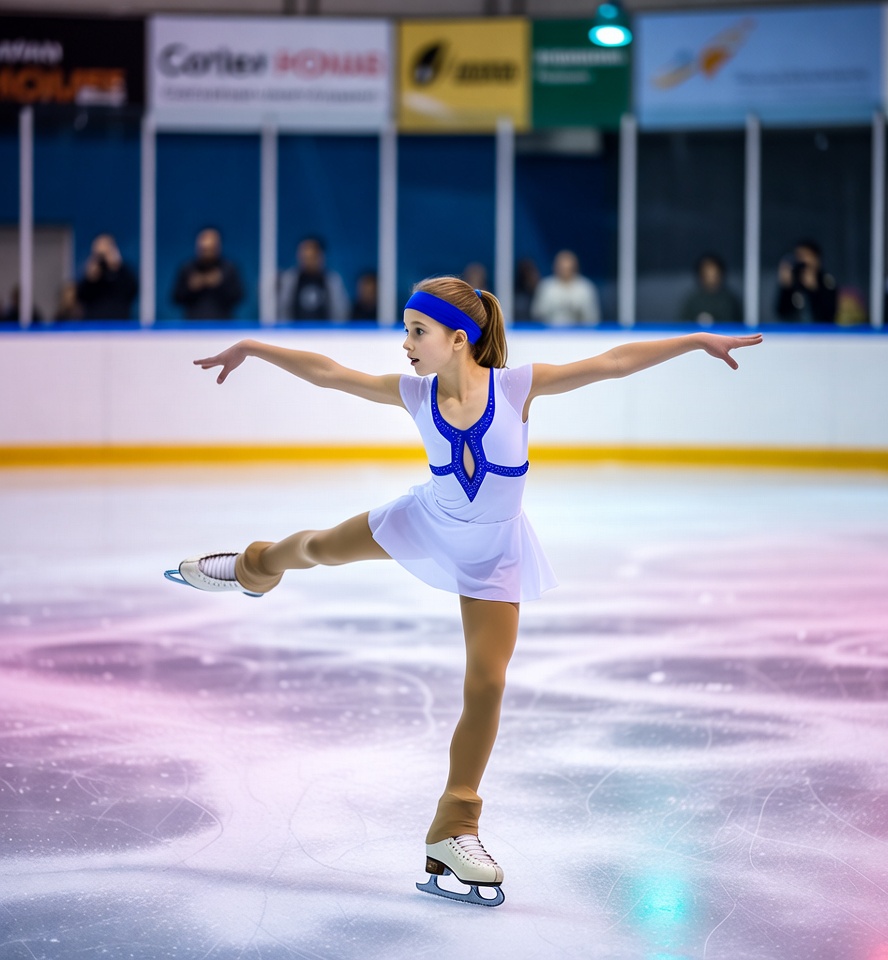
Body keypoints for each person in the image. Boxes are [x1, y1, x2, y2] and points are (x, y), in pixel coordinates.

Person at [165, 277, 762, 906]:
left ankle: (455, 826)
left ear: (458, 339)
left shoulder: (517, 388)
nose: (405, 344)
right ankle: (254, 567)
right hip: (426, 520)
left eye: (416, 332)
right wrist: (255, 347)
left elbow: (613, 362)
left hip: (494, 555)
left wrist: (695, 340)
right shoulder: (414, 393)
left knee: (487, 682)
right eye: (406, 330)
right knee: (317, 548)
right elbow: (330, 374)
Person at [172, 228, 244, 321]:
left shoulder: (228, 268)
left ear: (217, 247)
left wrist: (221, 283)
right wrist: (190, 287)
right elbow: (176, 298)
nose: (207, 253)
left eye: (211, 249)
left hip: (223, 322)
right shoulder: (187, 268)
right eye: (204, 249)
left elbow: (238, 296)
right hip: (193, 323)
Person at [277, 236, 350, 322]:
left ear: (320, 256)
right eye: (305, 257)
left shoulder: (331, 280)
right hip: (295, 330)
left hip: (325, 329)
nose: (308, 260)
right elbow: (282, 309)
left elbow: (340, 311)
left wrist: (333, 329)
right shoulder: (289, 279)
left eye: (312, 257)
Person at [530, 250, 601, 326]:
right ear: (555, 267)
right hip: (550, 331)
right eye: (562, 268)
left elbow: (593, 319)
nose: (565, 271)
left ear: (575, 268)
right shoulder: (546, 287)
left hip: (579, 332)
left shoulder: (586, 288)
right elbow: (536, 315)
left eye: (568, 268)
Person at [76, 234, 138, 320]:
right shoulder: (91, 274)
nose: (103, 258)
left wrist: (116, 268)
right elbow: (80, 297)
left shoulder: (123, 272)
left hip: (118, 322)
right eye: (100, 254)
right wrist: (90, 278)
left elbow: (132, 290)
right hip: (94, 323)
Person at [775, 240, 838, 323]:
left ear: (816, 259)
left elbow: (829, 315)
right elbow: (782, 313)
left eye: (806, 255)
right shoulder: (794, 279)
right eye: (799, 256)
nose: (802, 260)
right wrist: (786, 288)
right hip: (795, 329)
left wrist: (813, 289)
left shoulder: (826, 281)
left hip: (820, 329)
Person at [678, 254, 742, 324]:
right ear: (701, 275)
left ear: (720, 273)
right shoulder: (693, 300)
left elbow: (737, 324)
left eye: (714, 273)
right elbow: (683, 323)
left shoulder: (730, 300)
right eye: (707, 273)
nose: (711, 276)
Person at [513, 258, 540, 322]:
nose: (534, 277)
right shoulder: (519, 302)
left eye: (534, 273)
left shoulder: (541, 293)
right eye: (529, 274)